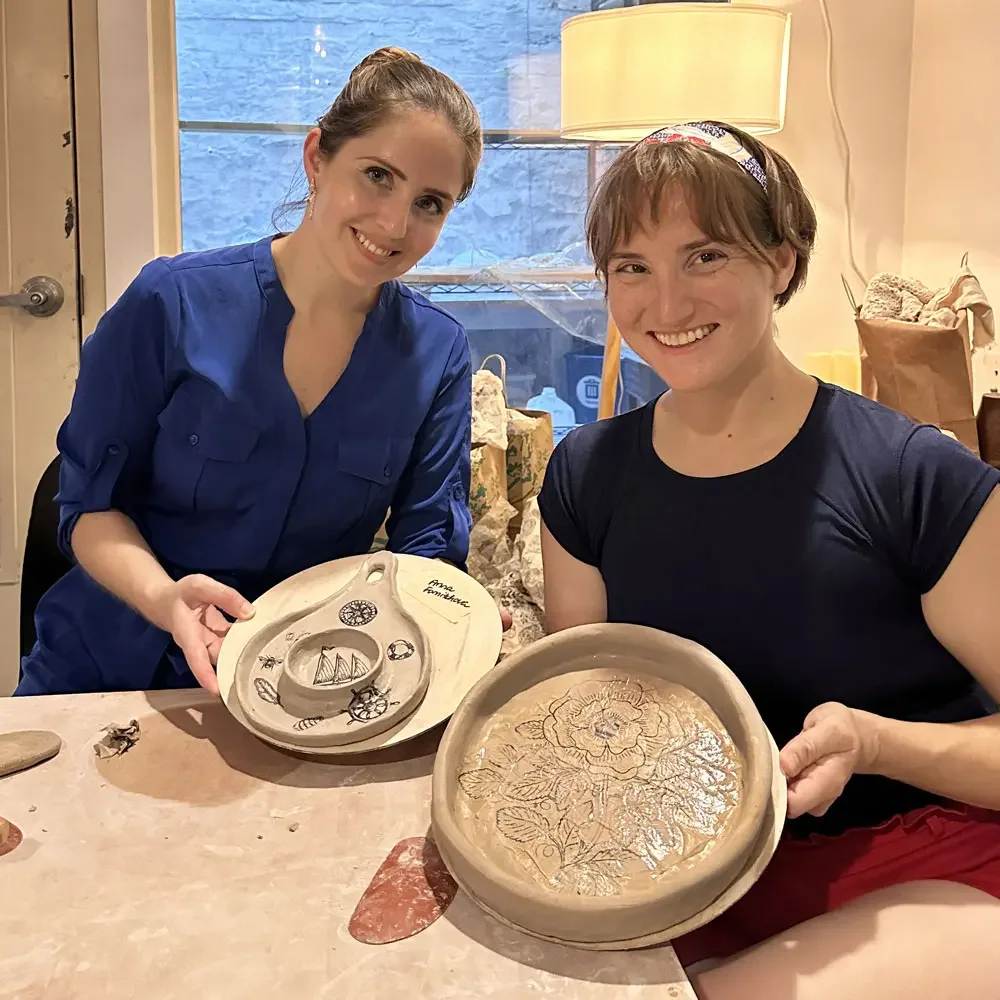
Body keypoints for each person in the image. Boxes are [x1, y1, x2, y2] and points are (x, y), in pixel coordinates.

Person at [537, 121, 1000, 997]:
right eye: (631, 266)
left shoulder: (910, 474)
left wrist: (871, 742)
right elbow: (586, 715)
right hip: (691, 869)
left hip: (924, 856)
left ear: (782, 263)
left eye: (704, 256)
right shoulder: (586, 474)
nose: (664, 306)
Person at [17, 47, 484, 697]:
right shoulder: (170, 301)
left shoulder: (439, 354)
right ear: (317, 157)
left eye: (431, 202)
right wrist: (166, 600)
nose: (395, 223)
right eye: (378, 175)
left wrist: (450, 616)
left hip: (298, 687)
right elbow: (88, 507)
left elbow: (426, 551)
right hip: (108, 663)